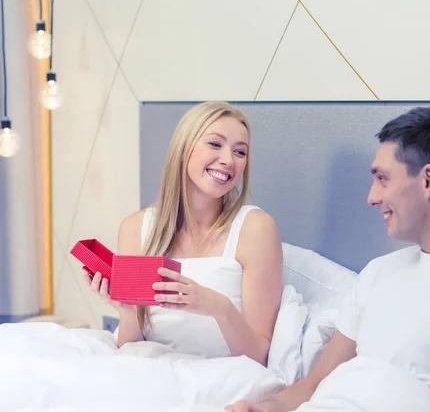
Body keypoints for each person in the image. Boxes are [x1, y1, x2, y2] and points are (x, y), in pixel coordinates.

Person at [227, 107, 430, 411]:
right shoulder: (379, 273)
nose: (371, 197)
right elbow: (314, 386)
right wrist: (263, 408)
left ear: (428, 181)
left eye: (383, 178)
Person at [86, 101, 283, 365]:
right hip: (153, 373)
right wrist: (127, 311)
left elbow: (259, 355)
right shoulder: (135, 229)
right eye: (215, 144)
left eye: (240, 152)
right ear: (183, 149)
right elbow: (131, 349)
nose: (228, 160)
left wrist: (220, 308)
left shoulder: (256, 229)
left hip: (223, 378)